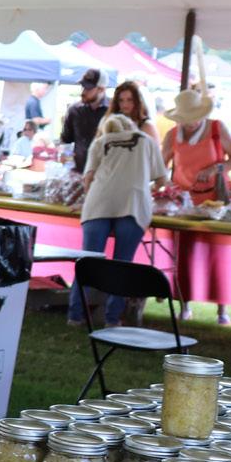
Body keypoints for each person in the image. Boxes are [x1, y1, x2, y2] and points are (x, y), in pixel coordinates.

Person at [70, 113, 169, 327]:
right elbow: (162, 180)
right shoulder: (146, 140)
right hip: (133, 203)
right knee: (122, 264)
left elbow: (88, 179)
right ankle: (112, 319)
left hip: (98, 202)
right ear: (131, 126)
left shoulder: (100, 142)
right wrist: (143, 184)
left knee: (87, 262)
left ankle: (75, 315)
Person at [162, 85, 231, 325]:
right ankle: (184, 306)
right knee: (181, 255)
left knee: (217, 255)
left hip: (216, 201)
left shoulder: (217, 128)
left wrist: (215, 168)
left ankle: (222, 310)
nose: (191, 123)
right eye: (186, 119)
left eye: (195, 117)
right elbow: (160, 167)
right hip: (184, 204)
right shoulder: (172, 136)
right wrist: (168, 185)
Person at [60, 68, 110, 172]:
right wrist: (65, 155)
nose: (83, 92)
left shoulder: (114, 111)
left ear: (101, 89)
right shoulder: (74, 110)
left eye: (88, 88)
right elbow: (66, 140)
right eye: (82, 87)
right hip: (78, 171)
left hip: (105, 172)